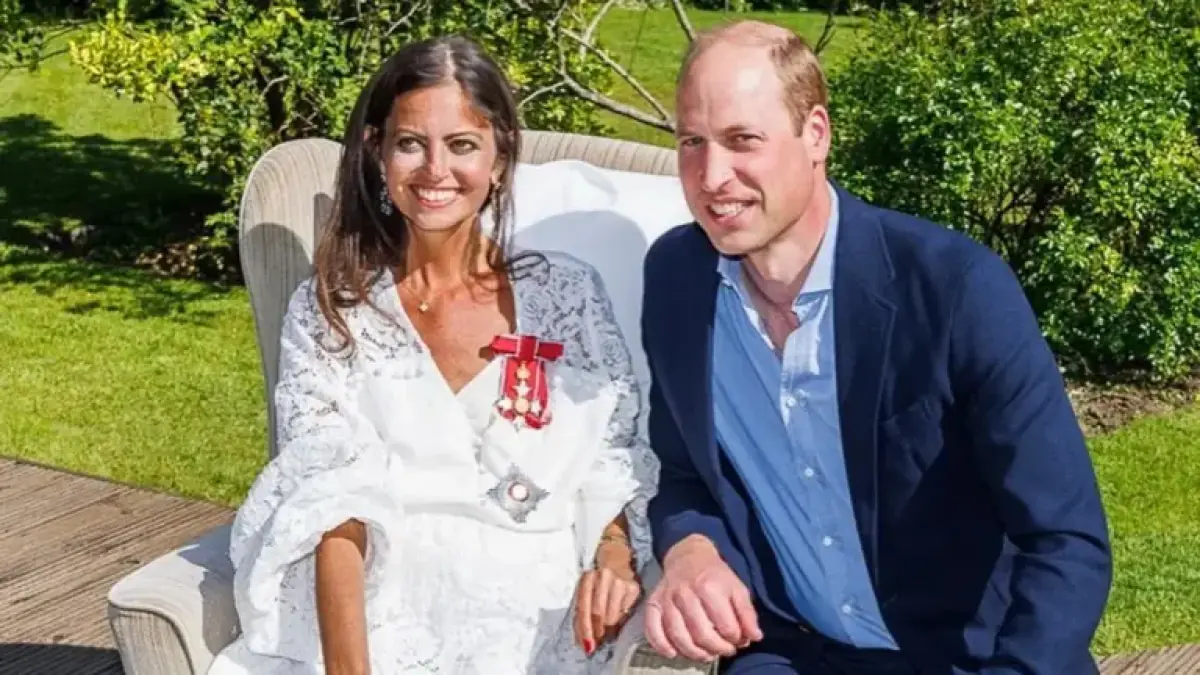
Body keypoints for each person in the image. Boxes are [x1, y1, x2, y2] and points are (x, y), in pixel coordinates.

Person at [639, 20, 1112, 675]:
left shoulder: (955, 290)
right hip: (793, 652)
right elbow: (686, 474)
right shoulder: (677, 280)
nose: (712, 175)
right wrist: (691, 547)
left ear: (816, 134)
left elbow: (1066, 540)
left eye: (742, 140)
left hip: (971, 659)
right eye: (692, 141)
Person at [206, 35, 659, 675]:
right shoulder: (332, 310)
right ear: (377, 153)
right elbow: (332, 509)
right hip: (383, 622)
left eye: (463, 145)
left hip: (537, 626)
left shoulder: (569, 293)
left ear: (501, 157)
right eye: (411, 143)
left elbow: (610, 453)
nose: (435, 170)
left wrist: (613, 554)